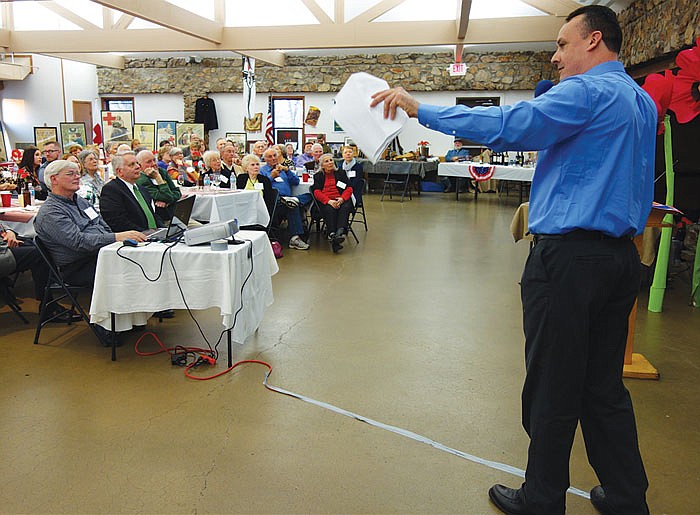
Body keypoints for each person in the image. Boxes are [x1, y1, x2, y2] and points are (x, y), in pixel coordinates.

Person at [372, 5, 654, 515]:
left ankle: (543, 497)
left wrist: (423, 110)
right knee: (603, 386)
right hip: (619, 259)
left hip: (569, 260)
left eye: (563, 44)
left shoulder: (587, 91)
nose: (556, 56)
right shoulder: (640, 99)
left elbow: (509, 124)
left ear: (593, 41)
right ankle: (627, 495)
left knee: (552, 382)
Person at [34, 159, 146, 288]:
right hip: (78, 266)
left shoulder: (80, 201)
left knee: (145, 260)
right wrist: (116, 237)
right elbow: (78, 242)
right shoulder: (51, 212)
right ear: (54, 179)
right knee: (138, 270)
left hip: (102, 253)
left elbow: (102, 224)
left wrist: (114, 241)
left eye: (78, 173)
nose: (77, 177)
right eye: (70, 174)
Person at [99, 151, 165, 233]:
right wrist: (145, 232)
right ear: (119, 171)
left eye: (137, 163)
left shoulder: (142, 189)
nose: (137, 167)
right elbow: (118, 222)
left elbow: (152, 215)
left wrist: (163, 230)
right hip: (135, 239)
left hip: (155, 236)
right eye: (131, 165)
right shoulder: (111, 190)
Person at [260, 147, 310, 250]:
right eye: (270, 156)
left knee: (309, 195)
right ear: (265, 159)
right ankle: (295, 239)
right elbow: (261, 187)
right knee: (292, 205)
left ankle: (293, 201)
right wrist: (271, 177)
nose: (274, 158)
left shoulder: (282, 169)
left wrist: (287, 171)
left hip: (287, 198)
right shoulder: (263, 171)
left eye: (275, 155)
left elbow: (296, 182)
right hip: (274, 200)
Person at [311, 154, 353, 253]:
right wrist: (329, 201)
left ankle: (336, 234)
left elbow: (349, 188)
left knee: (345, 207)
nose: (330, 162)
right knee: (330, 209)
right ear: (322, 165)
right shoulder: (318, 176)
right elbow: (316, 192)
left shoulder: (341, 173)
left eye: (331, 160)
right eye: (326, 161)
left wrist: (342, 199)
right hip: (326, 200)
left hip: (340, 198)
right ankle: (336, 235)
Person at [134, 149, 181, 221]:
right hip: (162, 219)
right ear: (140, 166)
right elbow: (167, 196)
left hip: (175, 215)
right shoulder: (141, 180)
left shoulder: (162, 172)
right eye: (149, 162)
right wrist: (158, 178)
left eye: (154, 160)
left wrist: (167, 202)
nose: (153, 164)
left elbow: (177, 192)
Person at [236, 154, 276, 220]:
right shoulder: (241, 178)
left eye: (257, 164)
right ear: (246, 167)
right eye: (252, 165)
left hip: (260, 210)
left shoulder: (264, 180)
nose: (256, 167)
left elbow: (269, 200)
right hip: (244, 209)